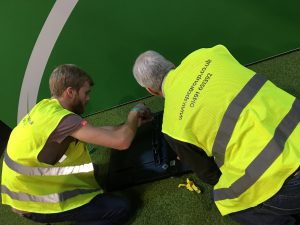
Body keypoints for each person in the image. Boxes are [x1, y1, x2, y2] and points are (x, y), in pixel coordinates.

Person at [132, 44, 300, 225]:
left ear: (150, 90)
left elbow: (210, 175)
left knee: (225, 198)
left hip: (290, 186)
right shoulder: (209, 53)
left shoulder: (172, 126)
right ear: (170, 63)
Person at [1, 64, 152, 225]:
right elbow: (122, 142)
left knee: (95, 173)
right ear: (70, 92)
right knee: (121, 207)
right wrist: (134, 114)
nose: (88, 98)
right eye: (86, 93)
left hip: (23, 193)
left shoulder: (46, 107)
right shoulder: (64, 120)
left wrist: (131, 126)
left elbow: (95, 132)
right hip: (35, 203)